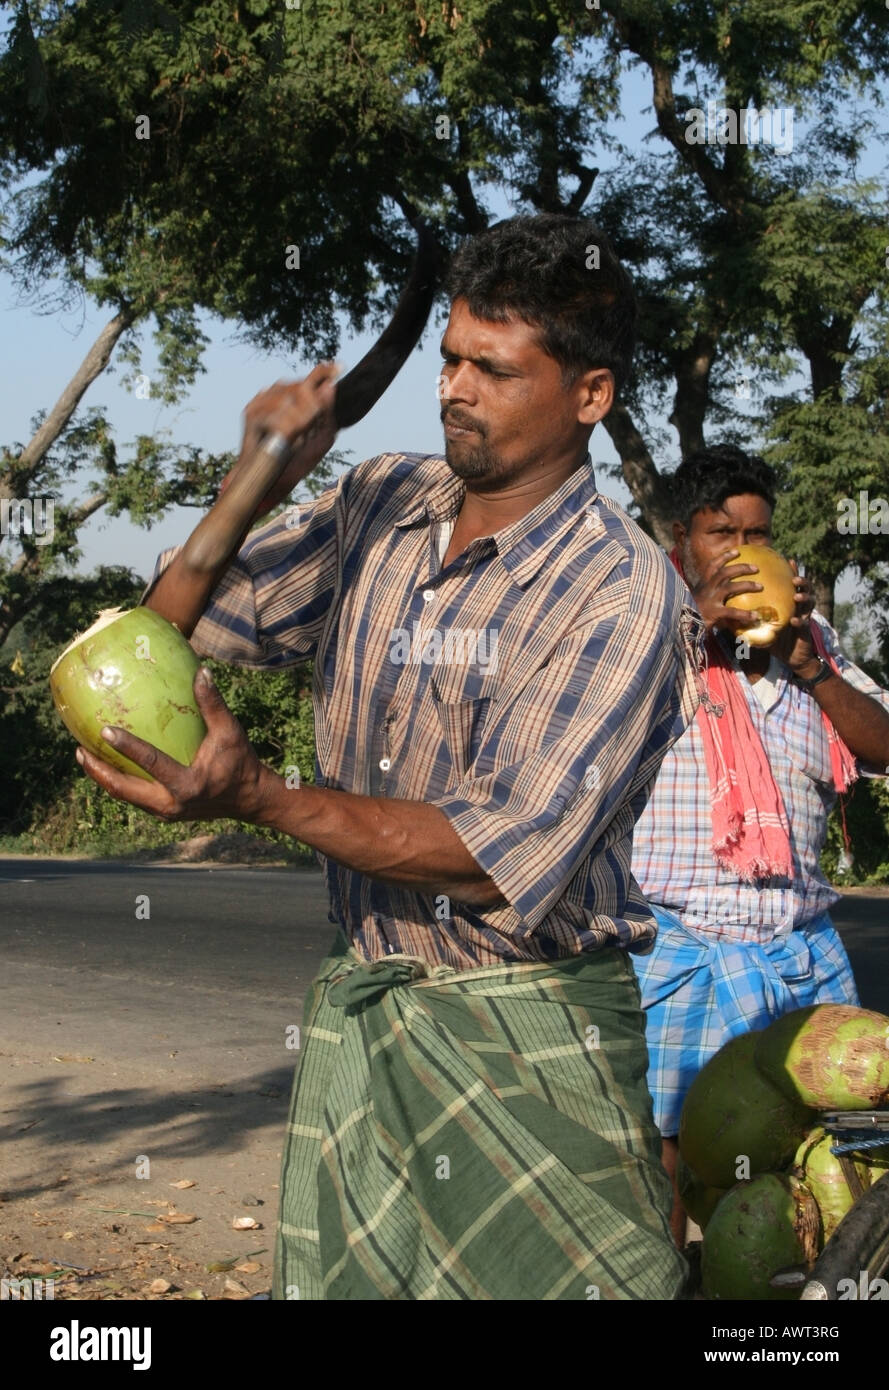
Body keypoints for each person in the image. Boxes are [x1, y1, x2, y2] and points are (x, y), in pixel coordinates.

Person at [76, 214, 704, 1300]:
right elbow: (161, 645)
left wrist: (259, 796)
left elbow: (489, 853)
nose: (454, 387)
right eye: (449, 358)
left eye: (493, 370)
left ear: (590, 396)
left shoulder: (625, 592)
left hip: (527, 1037)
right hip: (368, 1011)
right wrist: (252, 481)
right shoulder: (384, 501)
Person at [630, 445, 889, 1244]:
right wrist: (693, 620)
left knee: (809, 1144)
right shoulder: (642, 633)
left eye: (758, 535)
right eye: (721, 534)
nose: (744, 554)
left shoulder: (809, 644)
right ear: (679, 540)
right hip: (680, 947)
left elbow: (881, 746)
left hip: (797, 947)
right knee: (669, 1150)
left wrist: (809, 665)